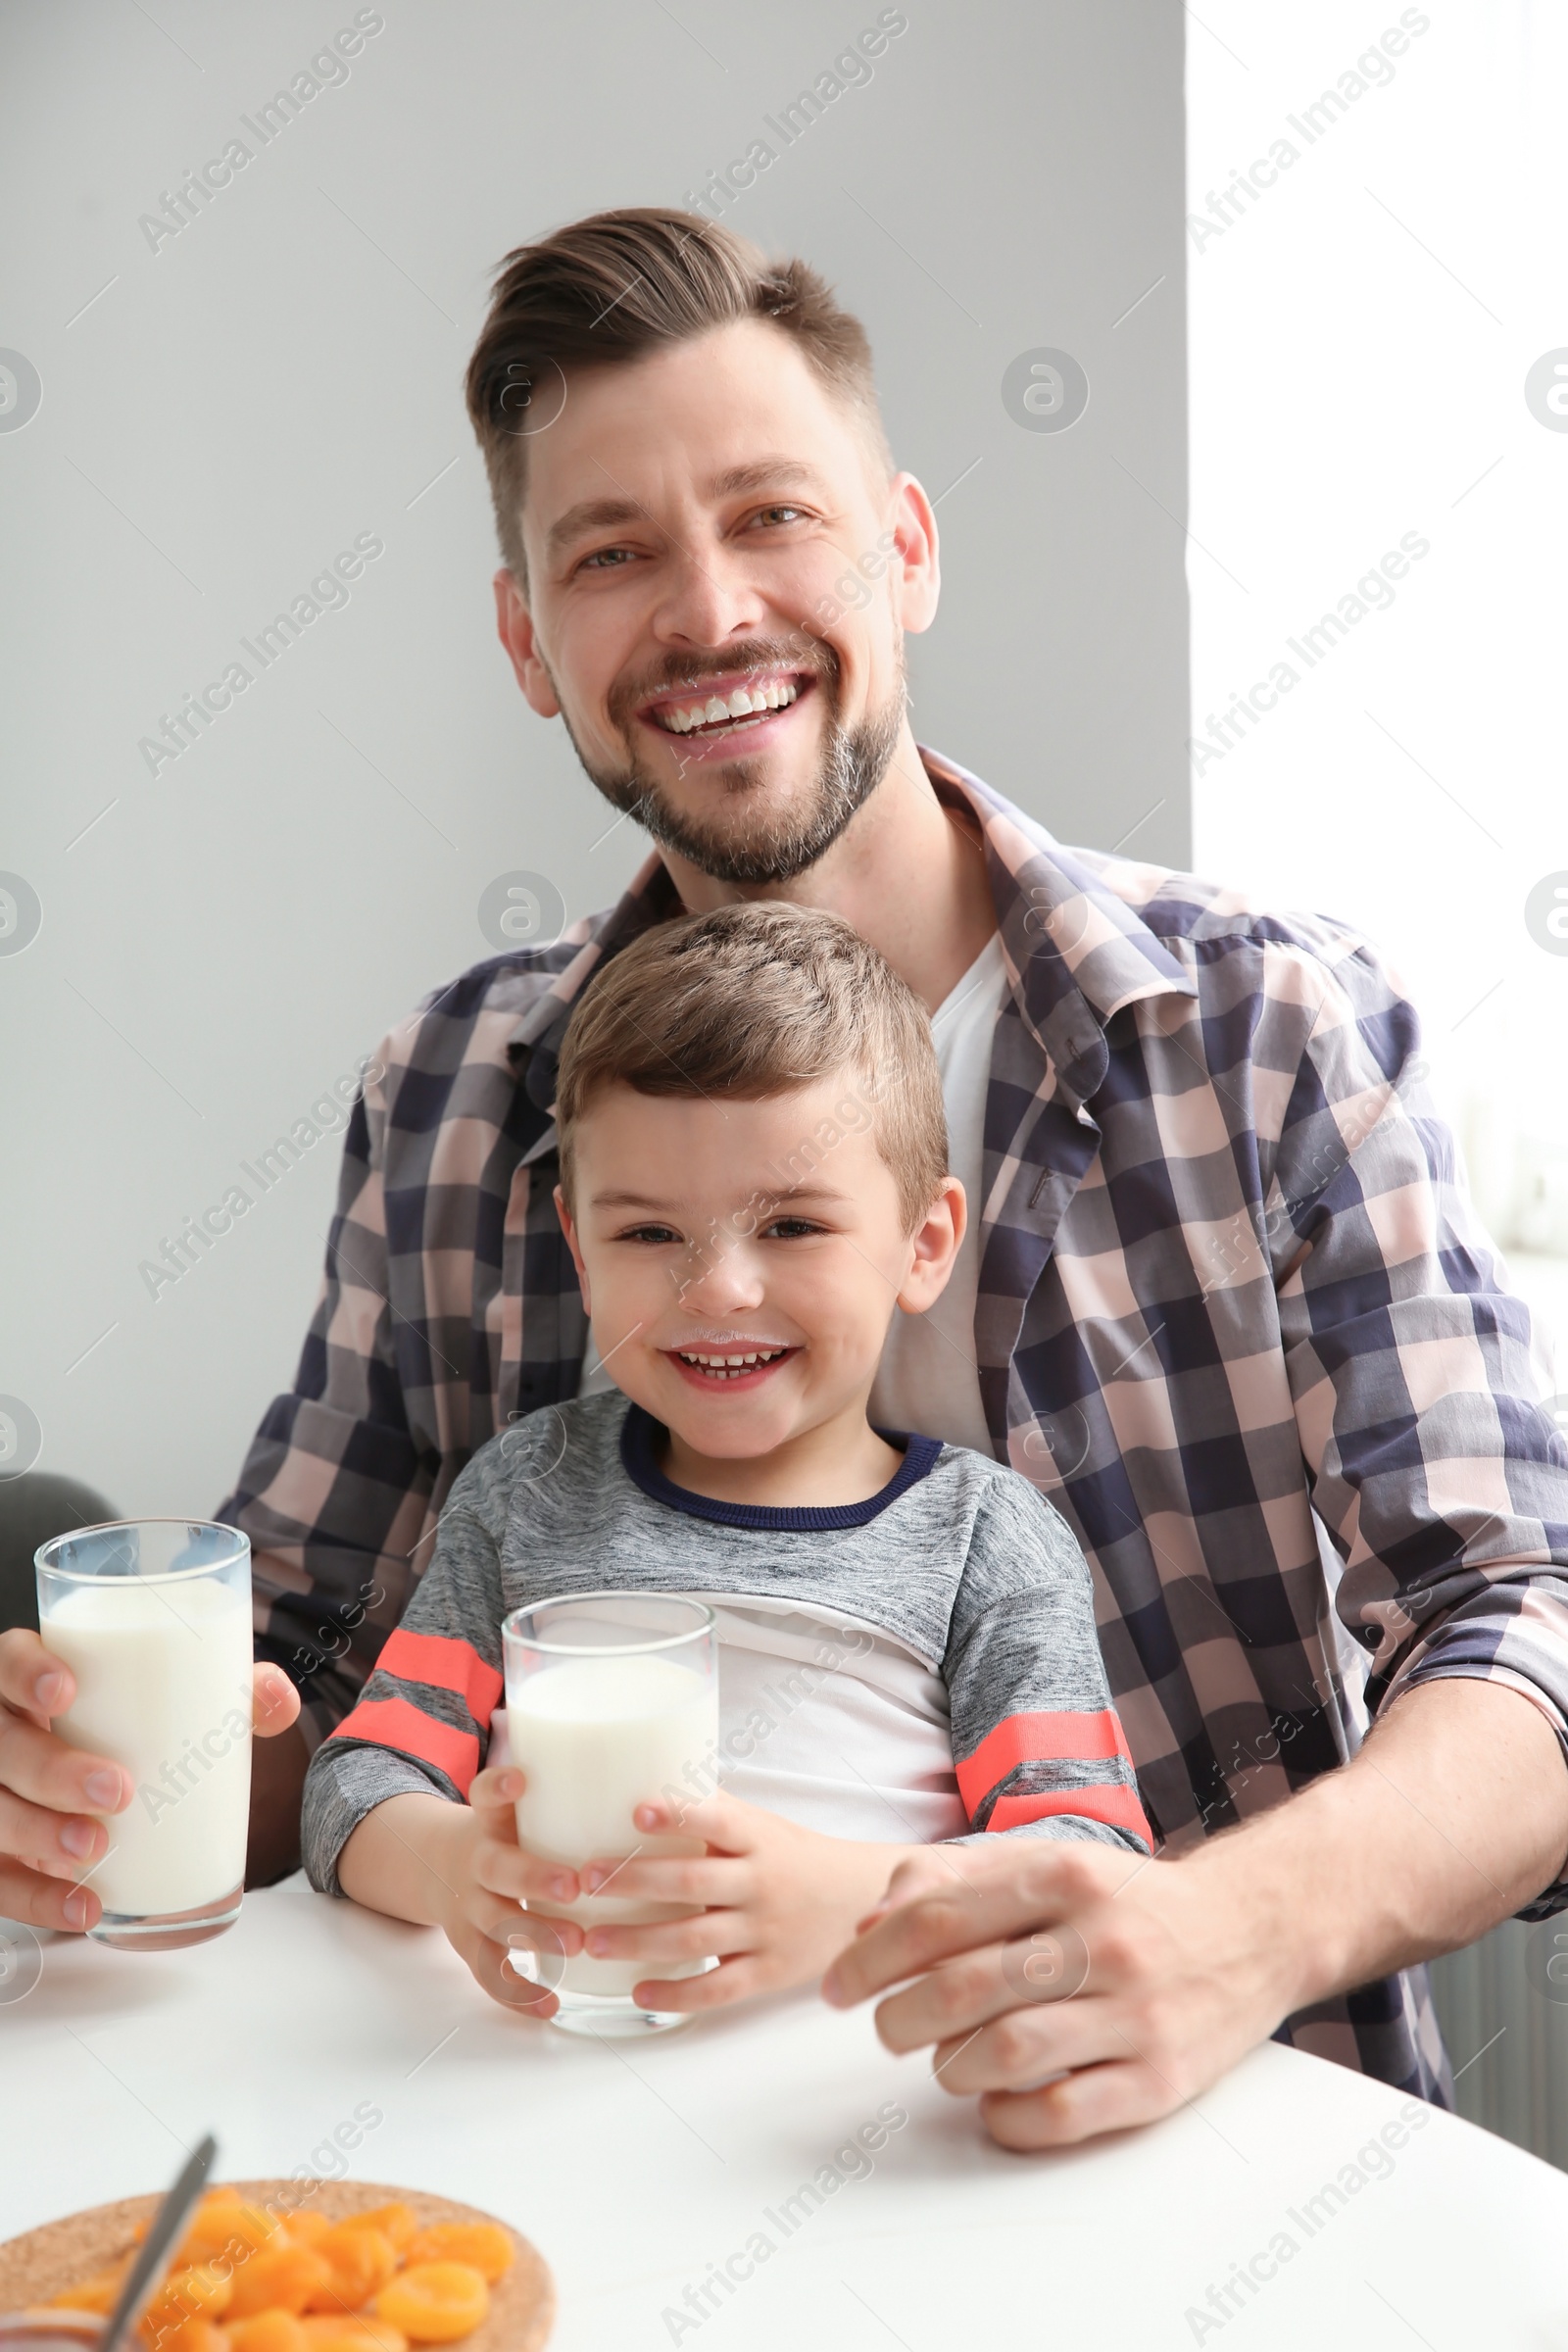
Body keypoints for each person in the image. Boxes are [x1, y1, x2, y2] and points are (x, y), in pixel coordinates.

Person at [2, 207, 1564, 2147]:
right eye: (610, 554)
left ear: (902, 548)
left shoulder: (1255, 1032)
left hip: (1183, 2175)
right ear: (526, 642)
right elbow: (315, 1687)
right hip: (579, 2171)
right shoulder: (452, 1094)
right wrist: (104, 1792)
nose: (710, 611)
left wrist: (1218, 1933)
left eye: (770, 516)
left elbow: (1520, 1616)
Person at [301, 904, 1151, 2013]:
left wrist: (848, 1899)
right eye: (650, 1235)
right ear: (580, 1248)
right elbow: (356, 1781)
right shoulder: (525, 1494)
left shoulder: (980, 1539)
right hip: (550, 2078)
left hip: (862, 2121)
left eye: (792, 1226)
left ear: (923, 1244)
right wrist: (454, 1867)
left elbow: (1093, 1868)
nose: (718, 1292)